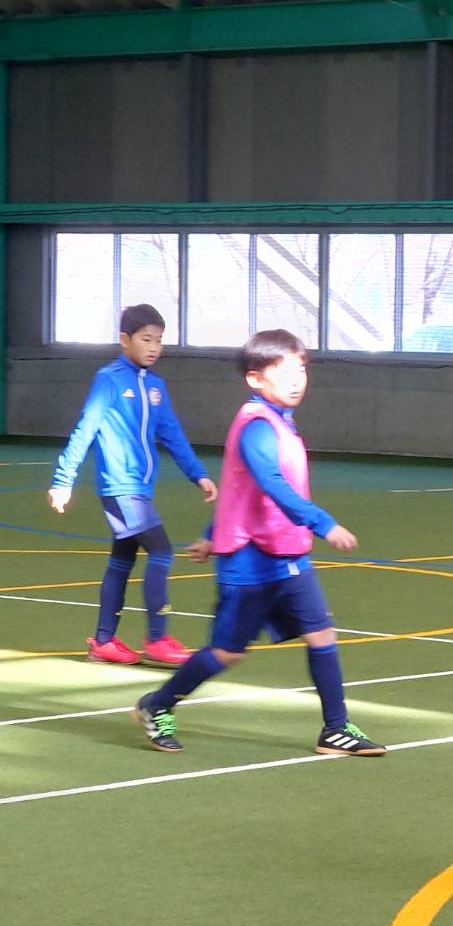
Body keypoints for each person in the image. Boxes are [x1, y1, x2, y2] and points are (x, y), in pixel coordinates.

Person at [132, 329, 385, 757]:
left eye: (301, 369)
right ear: (255, 378)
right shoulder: (257, 426)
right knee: (227, 652)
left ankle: (335, 729)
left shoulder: (281, 421)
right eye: (284, 372)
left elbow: (240, 492)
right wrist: (323, 523)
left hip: (289, 556)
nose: (296, 380)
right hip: (250, 563)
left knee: (322, 633)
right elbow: (269, 483)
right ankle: (157, 704)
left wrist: (210, 534)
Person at [48, 303, 217, 666]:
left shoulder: (156, 386)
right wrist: (63, 481)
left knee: (121, 560)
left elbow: (172, 434)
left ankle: (103, 641)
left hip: (140, 488)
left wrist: (198, 474)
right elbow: (85, 429)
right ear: (124, 340)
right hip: (119, 486)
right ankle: (157, 638)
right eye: (146, 339)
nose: (154, 347)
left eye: (159, 340)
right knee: (162, 551)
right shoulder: (109, 380)